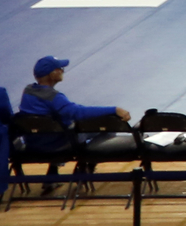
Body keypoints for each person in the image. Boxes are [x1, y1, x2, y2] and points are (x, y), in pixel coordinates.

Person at [18, 56, 130, 191]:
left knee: (52, 128)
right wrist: (113, 109)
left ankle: (51, 176)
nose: (62, 71)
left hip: (33, 144)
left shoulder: (28, 91)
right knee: (107, 126)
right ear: (53, 74)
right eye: (60, 68)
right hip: (58, 145)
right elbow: (77, 112)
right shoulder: (55, 97)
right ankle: (84, 169)